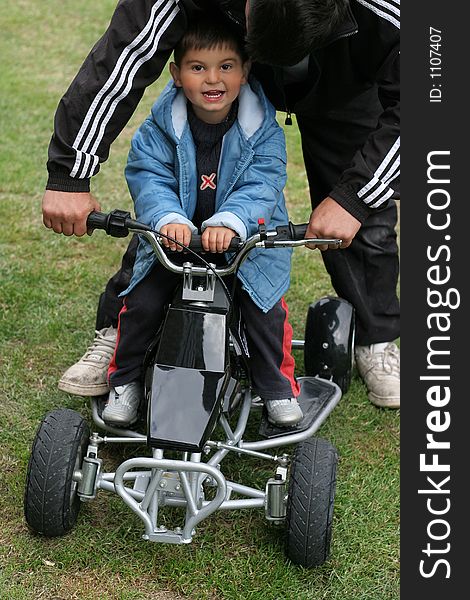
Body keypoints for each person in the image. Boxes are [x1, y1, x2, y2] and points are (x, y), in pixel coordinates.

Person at [44, 0, 400, 409]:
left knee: (365, 224)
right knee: (177, 199)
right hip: (233, 68)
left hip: (348, 81)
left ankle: (377, 339)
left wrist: (355, 199)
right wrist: (70, 172)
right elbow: (126, 53)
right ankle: (120, 330)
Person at [92, 14, 303, 427]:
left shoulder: (263, 130)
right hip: (176, 242)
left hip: (248, 242)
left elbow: (264, 183)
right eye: (197, 67)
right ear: (175, 74)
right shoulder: (159, 128)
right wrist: (167, 218)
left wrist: (232, 222)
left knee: (263, 309)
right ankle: (126, 379)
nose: (213, 79)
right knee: (142, 302)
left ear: (245, 72)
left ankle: (277, 387)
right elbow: (148, 176)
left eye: (226, 66)